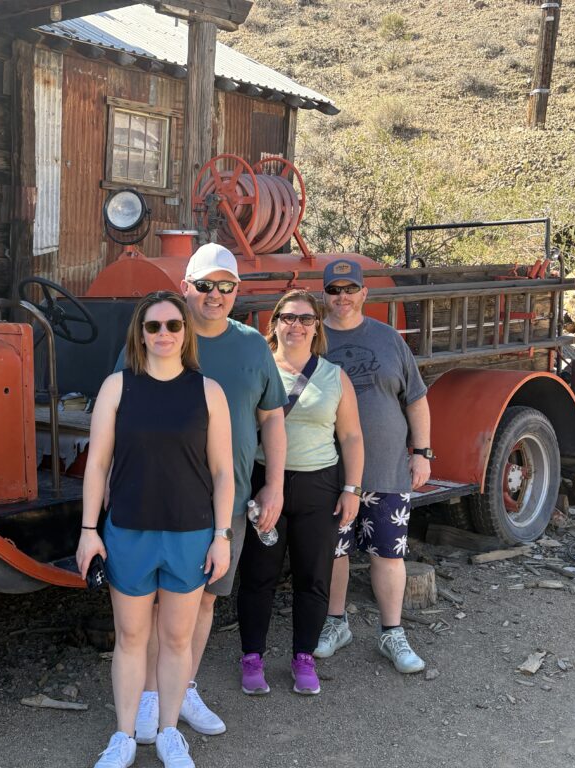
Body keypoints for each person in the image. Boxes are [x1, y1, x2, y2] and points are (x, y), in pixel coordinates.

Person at [118, 243, 288, 741]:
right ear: (185, 287)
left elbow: (272, 418)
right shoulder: (162, 334)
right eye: (205, 285)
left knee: (206, 602)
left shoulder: (253, 346)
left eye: (226, 286)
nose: (215, 295)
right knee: (152, 607)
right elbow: (118, 410)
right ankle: (148, 699)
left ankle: (182, 687)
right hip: (156, 498)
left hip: (224, 501)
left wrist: (274, 484)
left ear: (238, 290)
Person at [77, 290, 235, 768]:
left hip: (190, 533)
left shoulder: (208, 391)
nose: (163, 334)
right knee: (130, 638)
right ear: (140, 334)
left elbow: (224, 470)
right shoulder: (117, 387)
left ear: (185, 333)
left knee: (177, 640)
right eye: (154, 326)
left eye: (172, 325)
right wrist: (89, 529)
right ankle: (124, 735)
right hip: (128, 531)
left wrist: (222, 535)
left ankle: (169, 732)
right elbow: (97, 464)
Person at [236, 289, 364, 696]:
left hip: (318, 484)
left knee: (313, 576)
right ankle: (251, 657)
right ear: (274, 323)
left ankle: (303, 658)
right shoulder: (258, 370)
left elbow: (352, 436)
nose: (296, 325)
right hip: (265, 481)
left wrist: (352, 489)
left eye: (305, 319)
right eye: (288, 317)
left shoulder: (334, 376)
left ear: (316, 327)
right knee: (259, 575)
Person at [313, 259, 431, 673]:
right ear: (323, 295)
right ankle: (335, 623)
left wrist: (422, 452)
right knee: (334, 552)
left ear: (365, 293)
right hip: (329, 471)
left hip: (385, 469)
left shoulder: (388, 339)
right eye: (333, 290)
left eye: (350, 289)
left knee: (388, 552)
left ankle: (392, 632)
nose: (341, 297)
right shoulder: (311, 337)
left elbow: (415, 397)